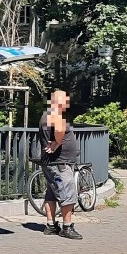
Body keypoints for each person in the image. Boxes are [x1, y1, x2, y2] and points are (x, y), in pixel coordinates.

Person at [39, 90, 83, 240]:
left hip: (52, 162)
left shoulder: (46, 115)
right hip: (60, 163)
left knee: (51, 194)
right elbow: (59, 128)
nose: (67, 103)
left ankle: (51, 226)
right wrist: (58, 142)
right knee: (67, 193)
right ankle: (67, 227)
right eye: (65, 100)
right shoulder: (55, 115)